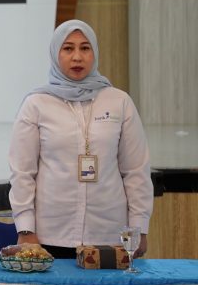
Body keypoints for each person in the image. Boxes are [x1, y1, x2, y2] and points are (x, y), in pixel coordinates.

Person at [9, 19, 152, 259]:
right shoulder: (36, 104)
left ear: (94, 53)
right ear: (56, 53)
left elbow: (136, 170)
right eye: (68, 48)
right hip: (50, 235)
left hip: (109, 234)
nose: (77, 57)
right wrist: (26, 230)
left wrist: (140, 227)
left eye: (85, 48)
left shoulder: (119, 101)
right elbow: (22, 172)